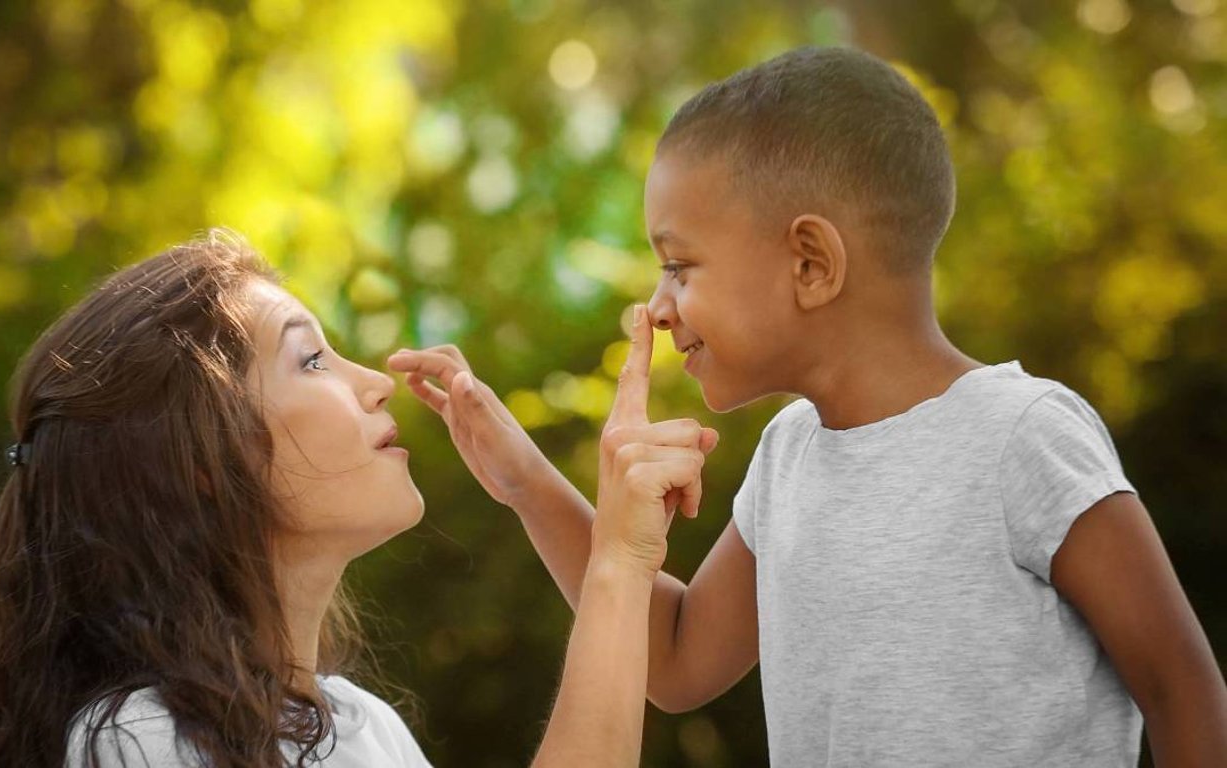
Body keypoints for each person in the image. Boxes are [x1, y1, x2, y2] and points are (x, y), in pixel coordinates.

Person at [388, 46, 1227, 765]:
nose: (657, 306)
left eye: (679, 266)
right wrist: (526, 482)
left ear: (812, 264)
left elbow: (1182, 688)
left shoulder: (1021, 436)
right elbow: (675, 660)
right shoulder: (789, 456)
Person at [0, 230, 694, 767]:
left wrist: (568, 516)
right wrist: (618, 561)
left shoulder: (364, 729)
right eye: (313, 359)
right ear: (201, 458)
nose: (377, 382)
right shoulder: (143, 741)